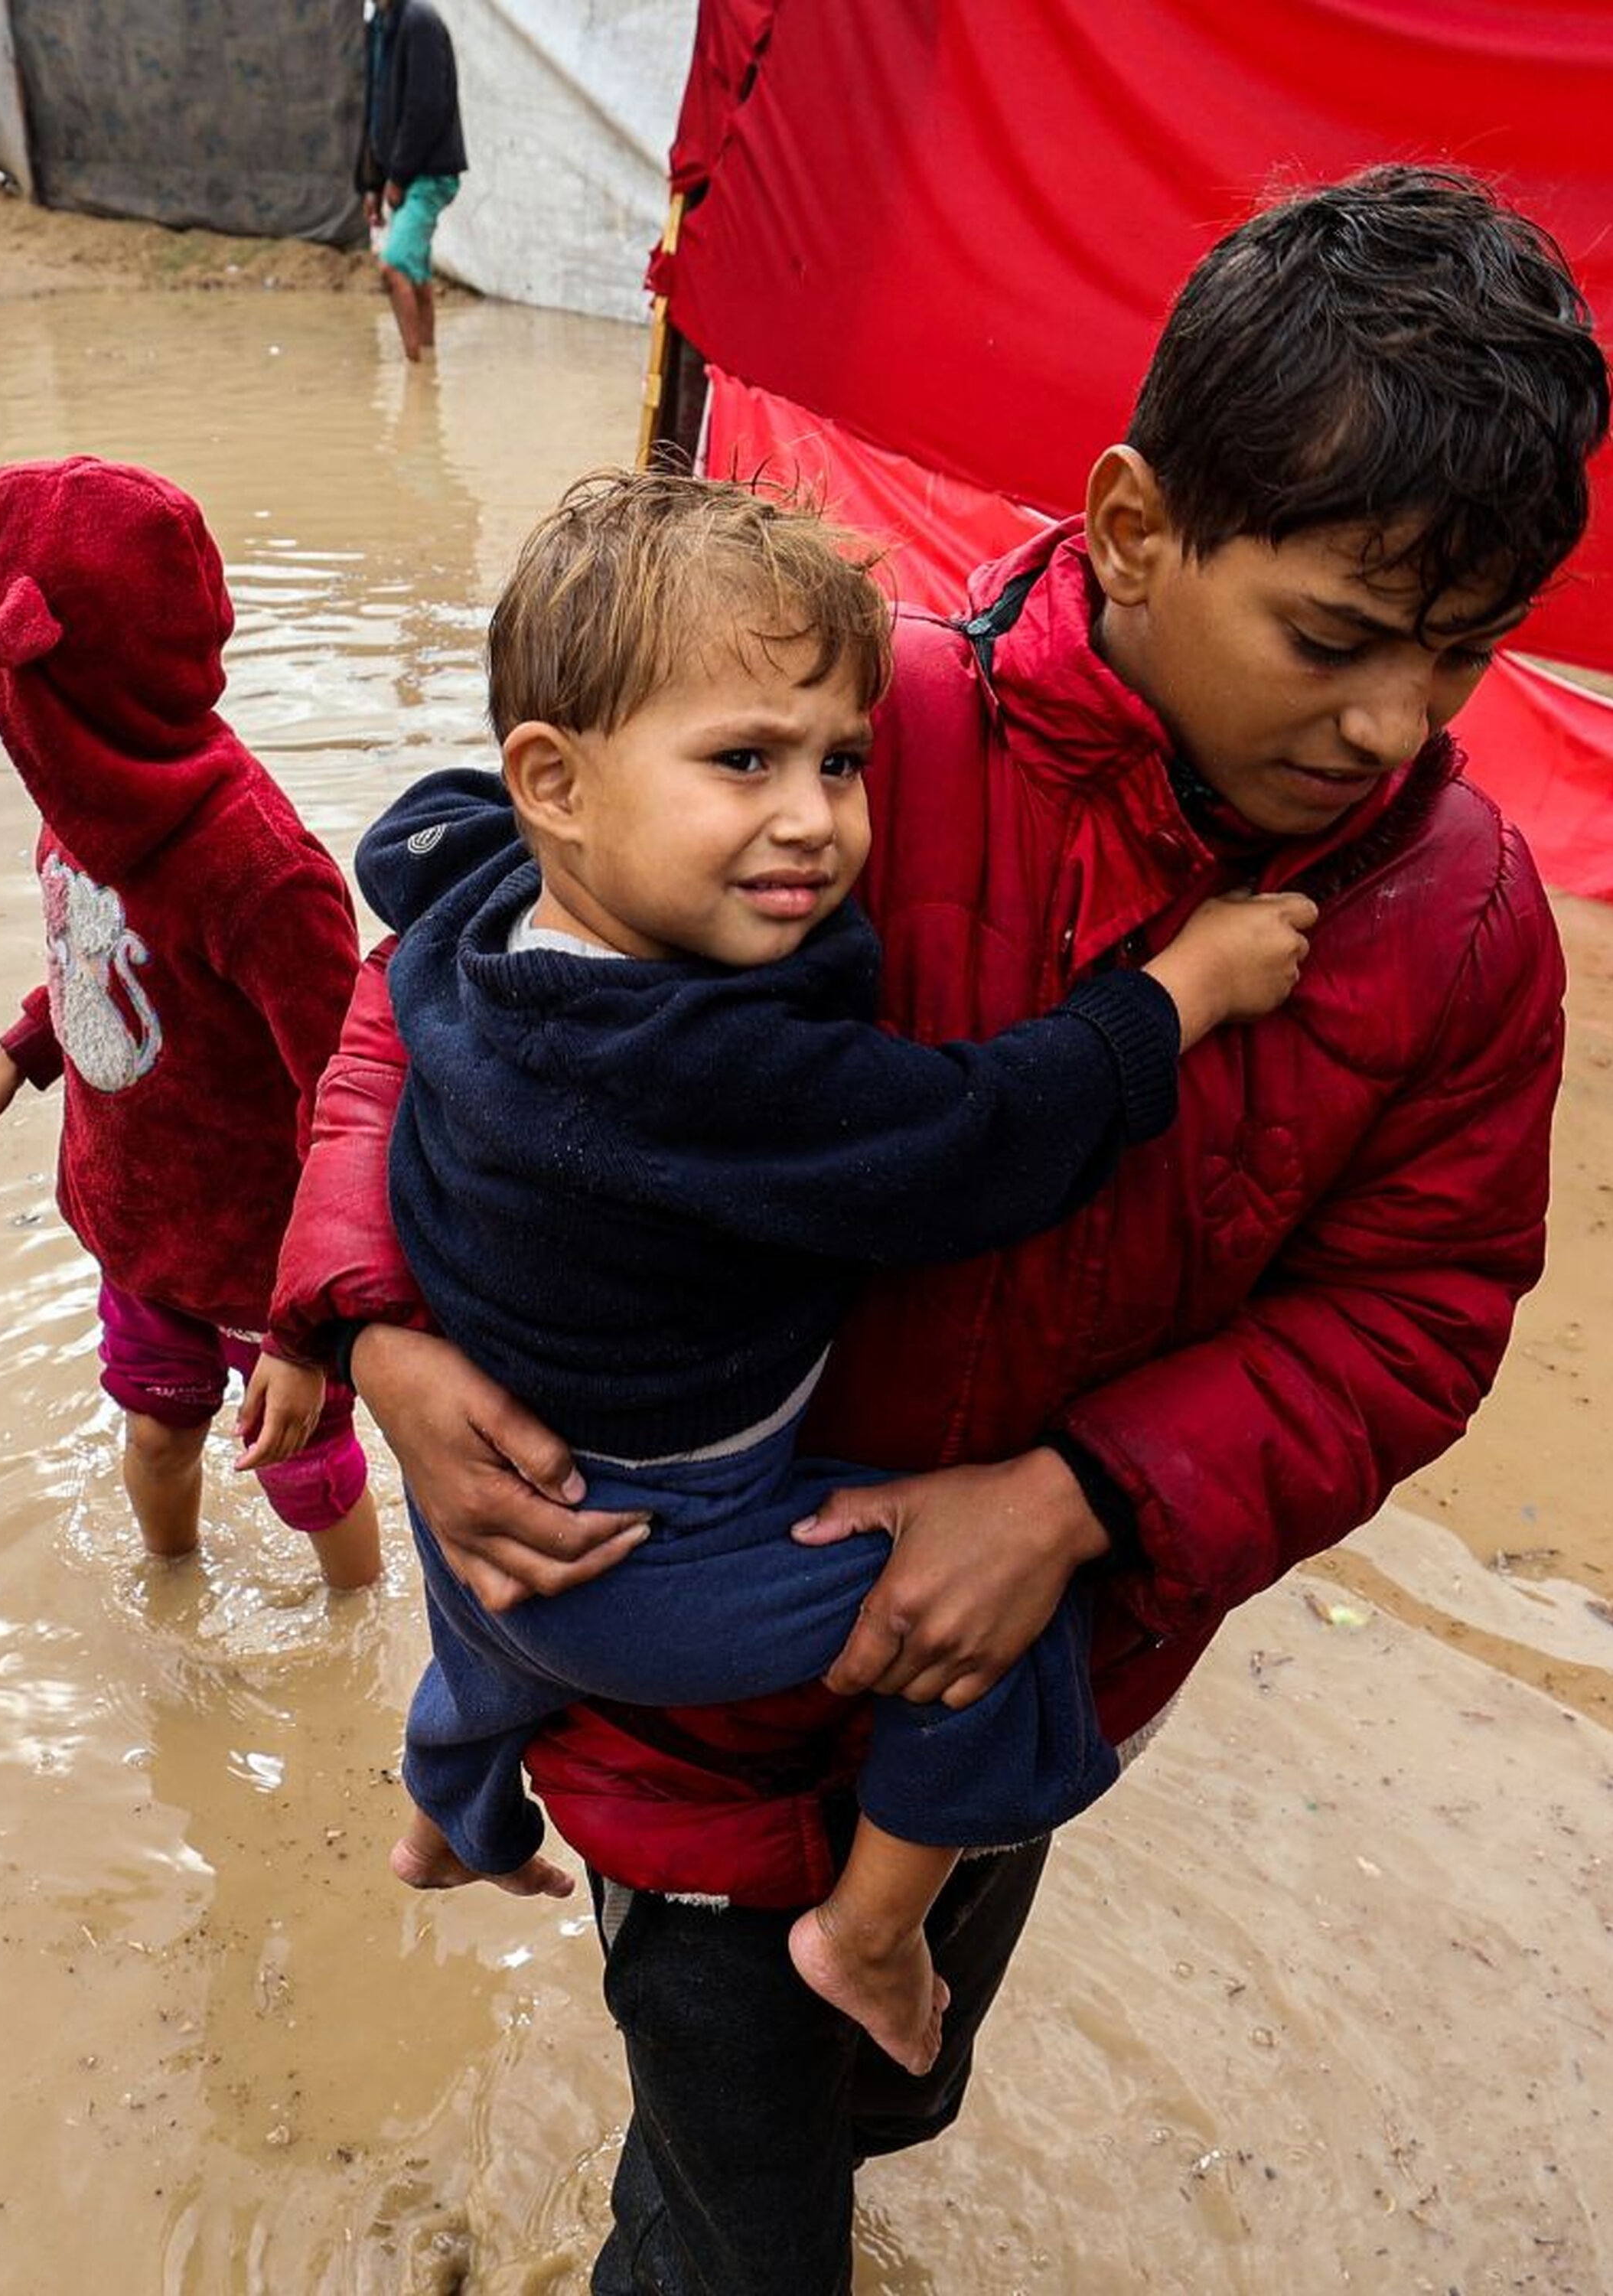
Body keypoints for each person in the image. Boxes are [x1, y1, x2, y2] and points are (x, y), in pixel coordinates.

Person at [272, 165, 1608, 2290]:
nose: (1396, 726)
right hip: (688, 1685)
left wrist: (1082, 1498)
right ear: (1138, 527)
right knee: (730, 2210)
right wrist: (373, 1326)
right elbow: (446, 993)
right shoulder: (840, 741)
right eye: (1338, 640)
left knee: (888, 2083)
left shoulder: (1458, 933)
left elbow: (1420, 1308)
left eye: (1463, 657)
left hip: (1046, 1660)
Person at [298, 470, 1315, 2076]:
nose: (818, 819)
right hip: (654, 1544)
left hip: (474, 1480)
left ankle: (444, 1816)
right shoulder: (687, 1064)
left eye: (845, 760)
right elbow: (978, 1137)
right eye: (744, 761)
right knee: (991, 1628)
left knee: (485, 1645)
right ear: (555, 782)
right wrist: (1185, 987)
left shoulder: (491, 899)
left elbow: (411, 847)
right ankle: (869, 1931)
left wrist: (337, 1321)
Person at [0, 455, 382, 1593]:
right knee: (154, 1434)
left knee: (305, 1469)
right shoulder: (79, 800)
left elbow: (350, 1103)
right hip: (138, 1229)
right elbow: (101, 960)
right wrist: (20, 1053)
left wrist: (301, 1332)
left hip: (261, 1261)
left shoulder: (257, 874)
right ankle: (171, 1597)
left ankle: (349, 1637)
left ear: (37, 676)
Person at [359, 0, 467, 364]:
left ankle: (416, 376)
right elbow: (375, 108)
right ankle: (427, 366)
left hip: (428, 173)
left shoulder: (419, 22)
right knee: (416, 274)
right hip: (406, 173)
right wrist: (372, 183)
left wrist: (399, 176)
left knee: (394, 267)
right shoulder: (381, 24)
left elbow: (426, 105)